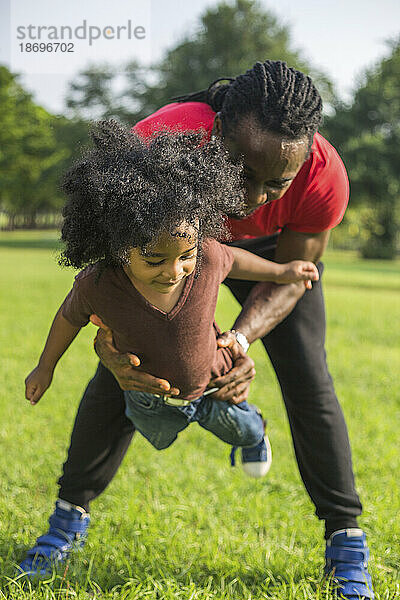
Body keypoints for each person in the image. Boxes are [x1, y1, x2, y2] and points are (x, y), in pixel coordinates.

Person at [20, 61, 374, 599]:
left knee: (308, 376)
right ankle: (67, 519)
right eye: (240, 171)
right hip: (180, 246)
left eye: (275, 183)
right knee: (128, 375)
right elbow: (115, 269)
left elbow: (294, 275)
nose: (252, 198)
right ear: (216, 133)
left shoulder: (323, 174)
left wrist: (235, 341)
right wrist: (114, 344)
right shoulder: (164, 138)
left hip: (270, 259)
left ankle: (346, 542)